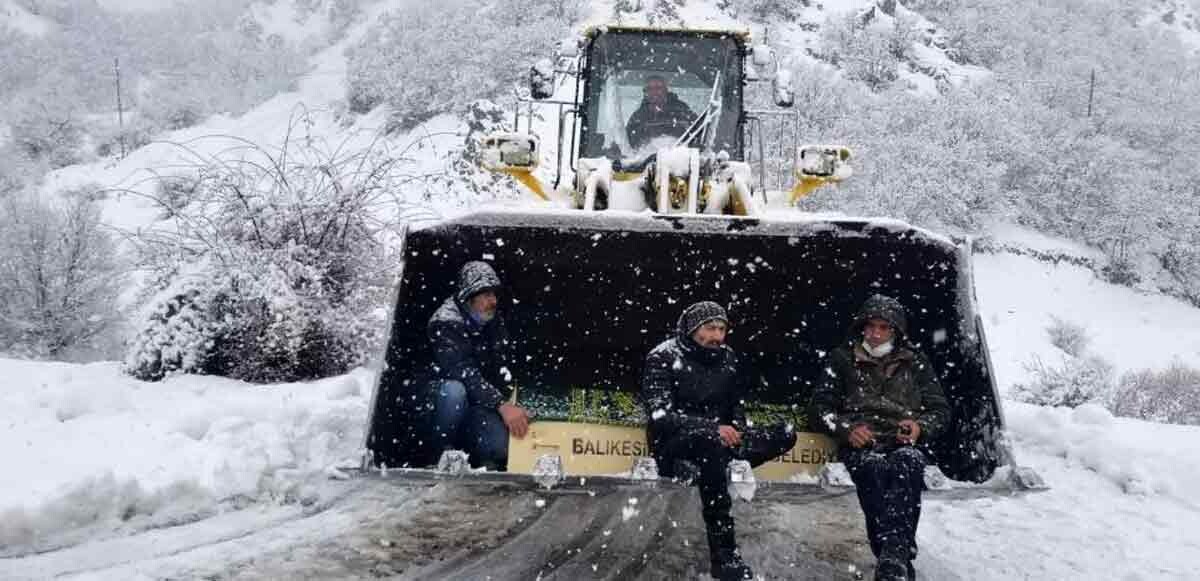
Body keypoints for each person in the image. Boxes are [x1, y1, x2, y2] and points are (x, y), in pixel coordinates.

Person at [642, 301, 797, 581]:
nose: (717, 336)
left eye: (721, 329)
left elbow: (735, 407)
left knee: (785, 433)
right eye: (709, 328)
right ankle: (725, 557)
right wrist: (713, 428)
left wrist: (734, 430)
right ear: (692, 330)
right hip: (674, 442)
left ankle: (710, 464)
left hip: (718, 441)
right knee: (710, 446)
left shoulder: (728, 358)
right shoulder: (662, 356)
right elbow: (660, 415)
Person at [808, 295, 950, 581]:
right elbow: (819, 409)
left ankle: (891, 558)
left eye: (883, 327)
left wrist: (919, 426)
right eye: (870, 326)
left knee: (908, 463)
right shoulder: (842, 359)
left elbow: (941, 410)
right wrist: (847, 430)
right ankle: (895, 560)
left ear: (895, 331)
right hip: (862, 443)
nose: (875, 333)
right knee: (872, 468)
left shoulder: (916, 362)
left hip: (902, 443)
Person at [424, 261, 530, 470]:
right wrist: (502, 404)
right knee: (454, 391)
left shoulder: (491, 321)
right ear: (468, 297)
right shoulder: (445, 322)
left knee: (503, 446)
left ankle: (472, 454)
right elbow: (462, 372)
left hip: (476, 401)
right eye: (486, 295)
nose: (494, 301)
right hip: (434, 405)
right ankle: (436, 454)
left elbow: (504, 366)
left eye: (494, 294)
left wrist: (516, 400)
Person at [626, 74, 698, 150]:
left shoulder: (681, 110)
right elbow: (627, 141)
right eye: (650, 88)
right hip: (646, 160)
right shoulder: (638, 116)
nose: (654, 92)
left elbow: (698, 129)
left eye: (658, 88)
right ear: (645, 92)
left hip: (681, 157)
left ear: (666, 90)